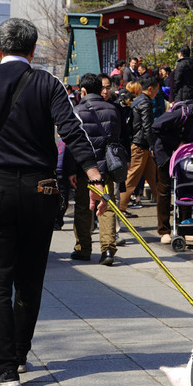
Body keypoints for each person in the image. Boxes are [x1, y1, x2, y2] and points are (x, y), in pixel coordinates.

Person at [0, 18, 102, 386]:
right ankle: (21, 351)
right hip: (40, 189)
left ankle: (6, 368)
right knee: (30, 279)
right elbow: (71, 129)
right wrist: (93, 175)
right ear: (34, 49)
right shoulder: (48, 83)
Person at [68, 73, 126, 266]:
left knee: (83, 207)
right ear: (100, 89)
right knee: (107, 206)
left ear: (83, 91)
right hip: (107, 166)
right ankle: (108, 249)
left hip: (84, 168)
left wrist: (70, 170)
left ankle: (83, 248)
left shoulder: (77, 111)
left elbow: (71, 143)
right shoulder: (113, 109)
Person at [150, 98, 193, 243]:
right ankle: (164, 230)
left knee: (186, 188)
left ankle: (186, 227)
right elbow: (156, 127)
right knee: (164, 190)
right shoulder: (180, 114)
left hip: (187, 155)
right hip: (166, 152)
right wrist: (176, 142)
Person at [118, 77, 159, 216]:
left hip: (140, 143)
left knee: (154, 177)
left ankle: (163, 203)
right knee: (132, 178)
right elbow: (147, 126)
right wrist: (153, 144)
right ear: (150, 89)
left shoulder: (138, 101)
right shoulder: (145, 103)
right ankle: (121, 207)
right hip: (140, 145)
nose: (157, 92)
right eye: (156, 89)